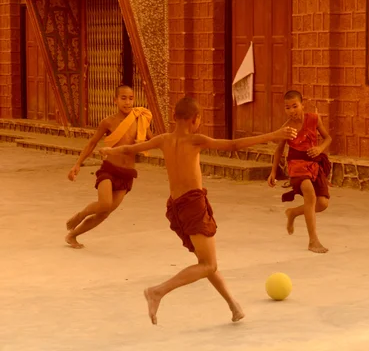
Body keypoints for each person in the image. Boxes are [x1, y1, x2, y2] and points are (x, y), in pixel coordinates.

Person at [99, 96, 297, 325]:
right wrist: (274, 136)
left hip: (176, 207)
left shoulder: (163, 139)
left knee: (205, 261)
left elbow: (131, 148)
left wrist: (109, 151)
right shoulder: (196, 140)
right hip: (193, 204)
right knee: (208, 264)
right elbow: (232, 145)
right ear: (196, 120)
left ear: (174, 118)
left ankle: (233, 306)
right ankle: (158, 291)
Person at [65, 84, 152, 249]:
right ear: (115, 100)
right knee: (104, 203)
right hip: (109, 169)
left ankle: (72, 235)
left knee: (104, 214)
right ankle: (80, 215)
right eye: (123, 98)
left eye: (131, 98)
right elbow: (92, 143)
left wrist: (142, 143)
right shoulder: (108, 122)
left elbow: (152, 140)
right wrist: (77, 164)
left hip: (127, 173)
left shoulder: (139, 119)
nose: (127, 102)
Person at [267, 90, 332, 254]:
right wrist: (273, 172)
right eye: (287, 108)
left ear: (303, 105)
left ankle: (293, 212)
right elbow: (279, 151)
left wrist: (320, 148)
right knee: (309, 193)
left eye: (295, 106)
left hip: (314, 164)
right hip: (296, 165)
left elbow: (328, 138)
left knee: (323, 204)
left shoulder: (314, 119)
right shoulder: (286, 128)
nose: (292, 111)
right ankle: (313, 241)